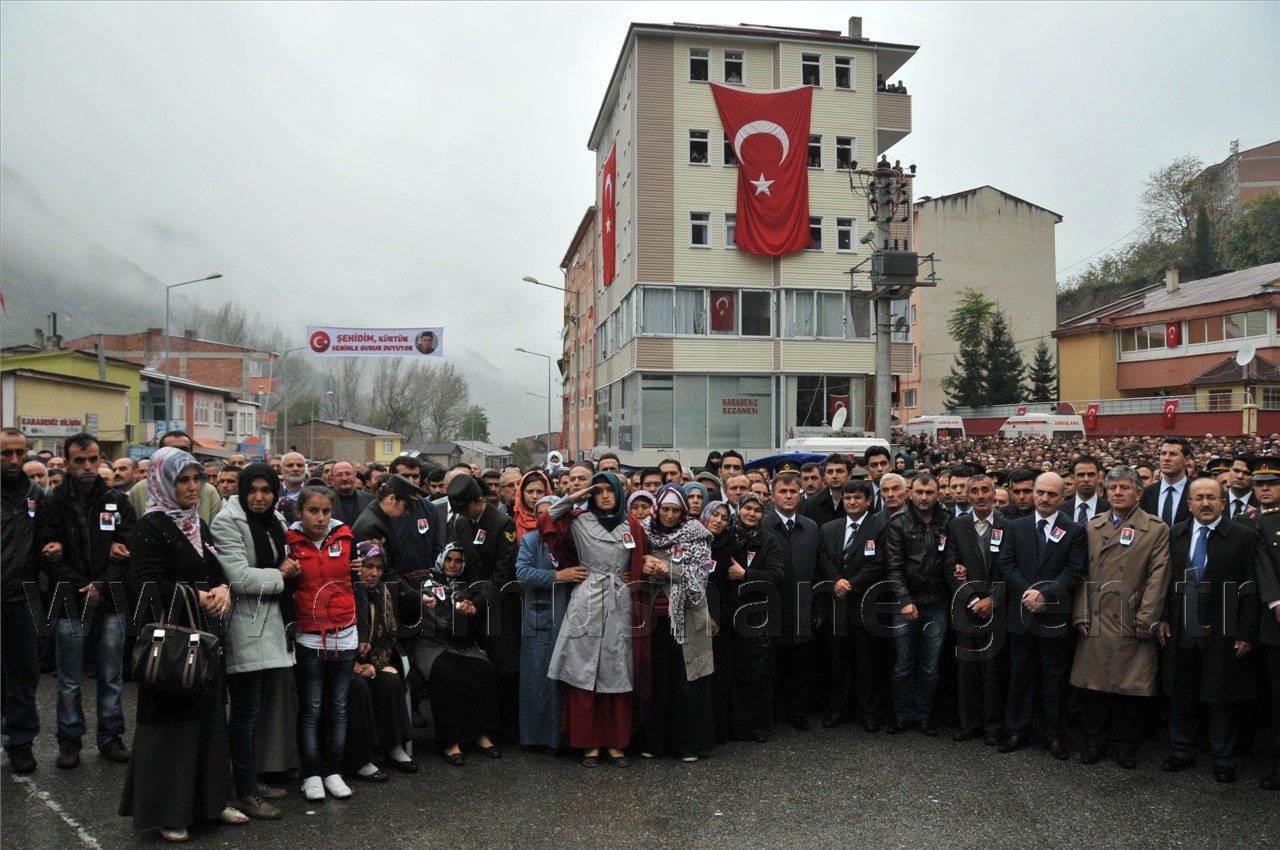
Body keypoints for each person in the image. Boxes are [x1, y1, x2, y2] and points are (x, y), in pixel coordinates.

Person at [119, 447, 239, 842]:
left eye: (196, 479)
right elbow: (146, 585)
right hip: (170, 645)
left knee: (208, 721)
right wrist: (197, 595)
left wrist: (221, 587)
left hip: (204, 642)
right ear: (162, 483)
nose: (192, 487)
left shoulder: (197, 525)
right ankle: (170, 812)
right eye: (182, 480)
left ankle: (210, 802)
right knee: (174, 726)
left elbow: (215, 569)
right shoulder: (149, 527)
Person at [35, 432, 134, 768]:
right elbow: (46, 553)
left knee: (110, 674)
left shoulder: (117, 501)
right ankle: (69, 740)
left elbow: (129, 549)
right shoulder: (52, 502)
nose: (88, 466)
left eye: (94, 459)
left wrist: (103, 585)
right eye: (80, 460)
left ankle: (110, 737)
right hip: (69, 600)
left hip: (111, 600)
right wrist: (82, 584)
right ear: (67, 462)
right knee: (69, 678)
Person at [541, 471, 649, 767]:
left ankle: (616, 743)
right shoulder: (578, 521)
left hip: (620, 599)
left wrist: (634, 575)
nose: (604, 495)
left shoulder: (633, 525)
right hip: (587, 598)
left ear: (619, 493)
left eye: (609, 490)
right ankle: (588, 743)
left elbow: (642, 557)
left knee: (617, 669)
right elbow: (548, 518)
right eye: (598, 490)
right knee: (583, 670)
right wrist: (574, 497)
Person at [1158, 477, 1261, 784]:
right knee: (1182, 692)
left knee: (1221, 696)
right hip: (1183, 628)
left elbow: (1250, 587)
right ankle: (1182, 750)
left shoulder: (1242, 536)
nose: (1205, 503)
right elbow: (1164, 581)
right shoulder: (1176, 534)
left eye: (1211, 498)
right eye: (1198, 498)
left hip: (1224, 629)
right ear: (1188, 504)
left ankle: (1223, 758)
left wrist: (1246, 632)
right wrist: (1162, 616)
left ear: (1222, 502)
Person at [211, 461, 299, 819]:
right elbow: (240, 577)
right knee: (245, 711)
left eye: (266, 490)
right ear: (241, 490)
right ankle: (245, 789)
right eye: (253, 490)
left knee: (256, 709)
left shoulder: (274, 520)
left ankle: (252, 777)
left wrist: (285, 568)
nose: (259, 497)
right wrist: (280, 573)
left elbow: (287, 559)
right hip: (246, 625)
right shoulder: (226, 521)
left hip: (272, 623)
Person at [1069, 465, 1170, 769]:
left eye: (1125, 488)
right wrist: (1081, 612)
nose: (1118, 493)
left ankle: (1126, 746)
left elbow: (1158, 576)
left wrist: (1146, 618)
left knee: (1130, 689)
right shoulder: (1094, 525)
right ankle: (1094, 741)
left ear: (1139, 493)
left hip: (1131, 617)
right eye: (1113, 488)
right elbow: (1083, 572)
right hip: (1097, 617)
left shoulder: (1156, 529)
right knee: (1095, 687)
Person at [999, 472, 1087, 760]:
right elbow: (1007, 565)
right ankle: (1018, 730)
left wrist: (1045, 595)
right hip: (1022, 613)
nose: (1044, 498)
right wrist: (1029, 594)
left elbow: (1073, 571)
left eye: (1052, 494)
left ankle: (1055, 735)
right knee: (1019, 675)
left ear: (1063, 497)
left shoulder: (1073, 531)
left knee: (1054, 677)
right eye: (1040, 492)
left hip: (1054, 615)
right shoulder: (1016, 527)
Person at [286, 485, 362, 802]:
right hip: (309, 635)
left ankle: (333, 771)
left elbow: (357, 581)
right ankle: (312, 773)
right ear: (299, 512)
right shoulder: (288, 542)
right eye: (313, 511)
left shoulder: (345, 538)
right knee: (312, 708)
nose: (320, 517)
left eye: (326, 511)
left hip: (345, 633)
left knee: (339, 707)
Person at [639, 485, 715, 761]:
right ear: (657, 509)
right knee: (656, 680)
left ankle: (689, 744)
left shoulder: (698, 536)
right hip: (652, 619)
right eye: (666, 509)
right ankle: (654, 743)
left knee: (687, 681)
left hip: (687, 618)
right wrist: (642, 569)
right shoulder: (643, 533)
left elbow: (699, 581)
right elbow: (630, 569)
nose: (670, 515)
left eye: (675, 510)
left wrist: (666, 568)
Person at [413, 544, 501, 765]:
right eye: (449, 560)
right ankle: (449, 741)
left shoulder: (466, 586)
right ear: (441, 561)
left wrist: (473, 609)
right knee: (446, 675)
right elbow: (429, 620)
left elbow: (483, 600)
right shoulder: (426, 584)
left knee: (485, 670)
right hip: (432, 644)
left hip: (460, 643)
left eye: (458, 561)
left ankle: (480, 734)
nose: (453, 565)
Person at [449, 474, 521, 743]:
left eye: (466, 507)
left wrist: (477, 601)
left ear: (480, 500)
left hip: (500, 604)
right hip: (472, 602)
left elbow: (502, 574)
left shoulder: (503, 524)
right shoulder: (460, 522)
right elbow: (458, 561)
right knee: (478, 667)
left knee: (504, 668)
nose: (463, 514)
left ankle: (507, 725)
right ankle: (481, 724)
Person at [945, 475, 1011, 745]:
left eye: (986, 490)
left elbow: (1013, 568)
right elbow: (950, 565)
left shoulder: (1009, 526)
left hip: (997, 608)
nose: (981, 495)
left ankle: (993, 726)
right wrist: (972, 599)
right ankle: (969, 723)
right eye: (975, 491)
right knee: (968, 669)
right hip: (968, 608)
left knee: (994, 670)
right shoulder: (956, 525)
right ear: (968, 496)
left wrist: (993, 600)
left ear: (994, 494)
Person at [884, 473, 950, 736]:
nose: (925, 497)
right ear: (910, 493)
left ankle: (923, 714)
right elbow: (894, 565)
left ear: (938, 494)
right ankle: (902, 715)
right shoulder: (898, 522)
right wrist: (904, 600)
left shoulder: (948, 521)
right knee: (903, 663)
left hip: (938, 603)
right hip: (907, 605)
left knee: (931, 666)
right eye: (920, 492)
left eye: (930, 492)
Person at [819, 480, 888, 732]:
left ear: (868, 500)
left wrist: (851, 583)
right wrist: (835, 581)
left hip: (866, 604)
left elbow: (881, 561)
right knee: (838, 660)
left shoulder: (881, 527)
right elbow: (822, 558)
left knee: (867, 662)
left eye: (857, 498)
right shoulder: (828, 528)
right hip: (837, 604)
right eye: (847, 498)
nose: (852, 502)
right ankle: (839, 708)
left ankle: (869, 711)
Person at [346, 542, 417, 778]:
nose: (374, 573)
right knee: (357, 688)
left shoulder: (382, 592)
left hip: (370, 660)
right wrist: (353, 667)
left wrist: (373, 666)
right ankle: (360, 758)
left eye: (378, 567)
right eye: (367, 566)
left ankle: (393, 746)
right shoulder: (344, 592)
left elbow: (389, 634)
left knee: (389, 680)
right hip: (341, 665)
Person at [515, 495, 580, 750]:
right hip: (539, 619)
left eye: (553, 514)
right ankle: (536, 737)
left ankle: (566, 739)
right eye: (542, 514)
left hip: (572, 614)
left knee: (568, 679)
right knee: (538, 680)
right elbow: (522, 573)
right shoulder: (531, 541)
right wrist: (557, 575)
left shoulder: (573, 541)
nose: (548, 519)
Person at [724, 492, 785, 741]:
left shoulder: (768, 541)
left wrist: (746, 574)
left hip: (755, 616)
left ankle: (758, 728)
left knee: (758, 673)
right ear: (738, 509)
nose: (751, 513)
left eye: (757, 510)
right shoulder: (726, 536)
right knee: (732, 672)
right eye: (747, 508)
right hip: (726, 613)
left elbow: (777, 576)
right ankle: (734, 727)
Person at [763, 472, 822, 731]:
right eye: (783, 492)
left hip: (803, 603)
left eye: (793, 492)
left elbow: (819, 568)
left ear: (800, 494)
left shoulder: (811, 527)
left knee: (801, 662)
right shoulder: (763, 525)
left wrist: (819, 605)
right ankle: (774, 711)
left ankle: (797, 711)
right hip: (772, 605)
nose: (788, 496)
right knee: (775, 661)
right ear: (772, 495)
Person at [2, 428, 44, 773]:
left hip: (26, 598)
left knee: (25, 674)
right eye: (6, 453)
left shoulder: (36, 494)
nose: (14, 460)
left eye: (20, 453)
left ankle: (21, 742)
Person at [128, 431, 222, 525]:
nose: (178, 454)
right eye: (172, 450)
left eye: (184, 450)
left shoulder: (208, 492)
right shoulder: (139, 490)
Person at [1140, 438, 1194, 526]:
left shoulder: (1196, 492)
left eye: (1173, 454)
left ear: (1186, 460)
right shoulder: (1145, 493)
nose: (1166, 458)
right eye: (1163, 454)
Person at [329, 461, 373, 526]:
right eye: (339, 475)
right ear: (331, 480)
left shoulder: (370, 500)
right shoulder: (325, 500)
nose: (344, 478)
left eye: (348, 474)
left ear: (355, 477)